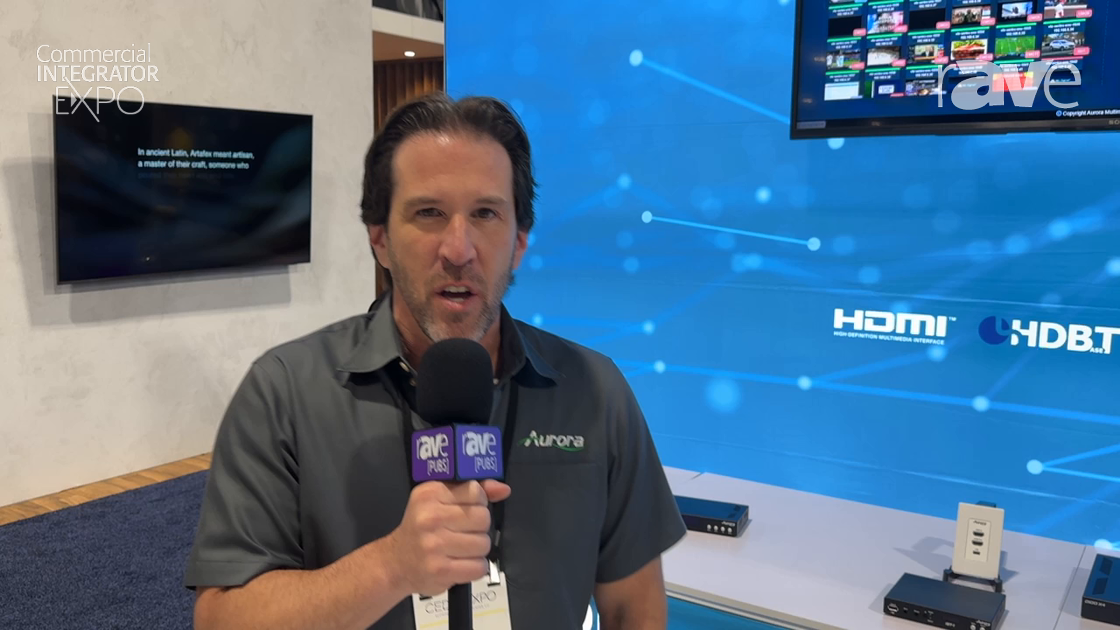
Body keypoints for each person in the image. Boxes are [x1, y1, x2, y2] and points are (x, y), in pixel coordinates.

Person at [183, 91, 687, 630]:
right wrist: (391, 567)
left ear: (519, 242)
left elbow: (634, 608)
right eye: (429, 213)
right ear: (380, 239)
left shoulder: (595, 392)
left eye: (486, 213)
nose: (458, 250)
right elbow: (222, 619)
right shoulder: (284, 393)